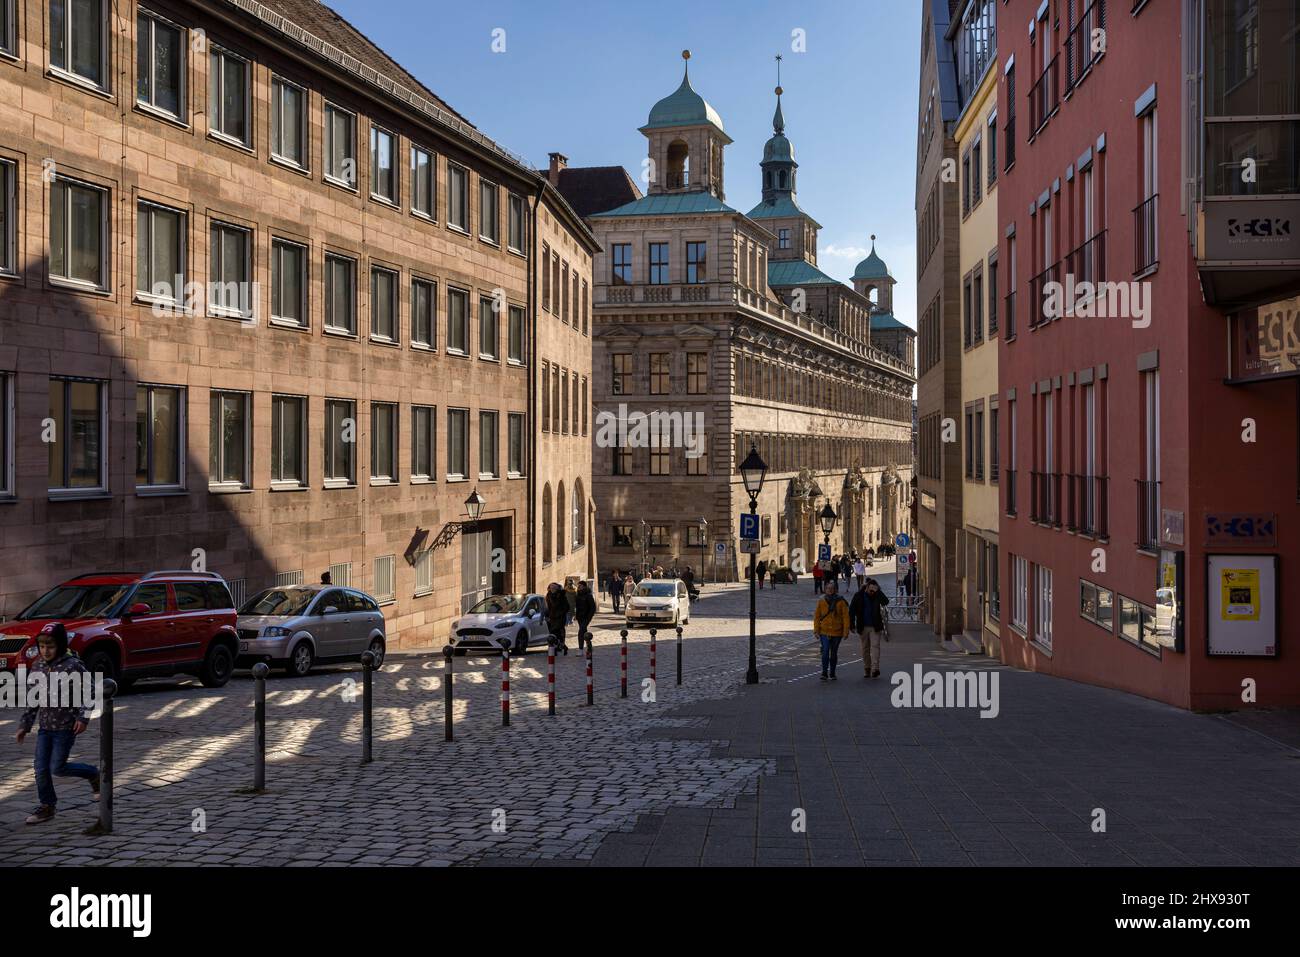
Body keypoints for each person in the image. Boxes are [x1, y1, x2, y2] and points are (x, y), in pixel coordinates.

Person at [15, 623, 100, 825]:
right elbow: (32, 699)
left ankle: (94, 774)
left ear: (60, 645)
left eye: (50, 646)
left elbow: (90, 691)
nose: (45, 651)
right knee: (40, 768)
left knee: (58, 768)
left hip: (66, 727)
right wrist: (24, 726)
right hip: (45, 728)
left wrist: (83, 717)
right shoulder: (38, 666)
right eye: (42, 646)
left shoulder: (73, 665)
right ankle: (47, 807)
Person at [850, 577, 891, 679]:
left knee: (875, 647)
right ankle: (867, 668)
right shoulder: (859, 595)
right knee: (865, 649)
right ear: (866, 587)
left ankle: (875, 669)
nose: (872, 591)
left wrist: (878, 592)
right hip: (862, 626)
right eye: (871, 588)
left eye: (874, 588)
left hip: (875, 626)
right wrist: (851, 624)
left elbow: (886, 601)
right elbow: (852, 610)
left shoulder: (877, 595)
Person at [812, 580, 850, 681]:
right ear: (825, 589)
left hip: (837, 631)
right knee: (825, 652)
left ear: (835, 590)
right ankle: (824, 672)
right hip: (824, 631)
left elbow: (846, 617)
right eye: (828, 588)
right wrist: (816, 630)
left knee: (833, 653)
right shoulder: (821, 601)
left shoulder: (841, 601)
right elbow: (817, 616)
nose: (830, 590)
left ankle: (832, 672)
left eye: (832, 589)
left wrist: (846, 631)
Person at [545, 583, 569, 655]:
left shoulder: (561, 595)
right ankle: (562, 647)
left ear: (557, 589)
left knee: (555, 632)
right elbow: (548, 607)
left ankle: (555, 648)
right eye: (551, 588)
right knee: (554, 633)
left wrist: (561, 613)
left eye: (554, 588)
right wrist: (547, 615)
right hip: (552, 617)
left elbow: (567, 607)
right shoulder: (548, 595)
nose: (552, 590)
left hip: (560, 618)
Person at [575, 581, 597, 652]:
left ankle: (580, 649)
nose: (578, 587)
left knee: (581, 631)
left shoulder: (588, 595)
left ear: (584, 586)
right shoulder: (577, 595)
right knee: (584, 632)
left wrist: (589, 617)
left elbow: (593, 607)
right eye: (578, 586)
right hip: (579, 616)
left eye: (580, 586)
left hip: (586, 617)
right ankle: (589, 645)